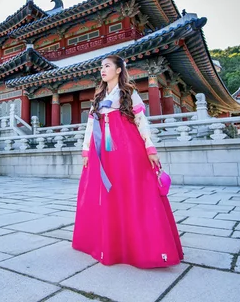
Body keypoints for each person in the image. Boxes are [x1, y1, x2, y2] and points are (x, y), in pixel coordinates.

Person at [72, 54, 183, 268]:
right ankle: (109, 243)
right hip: (101, 147)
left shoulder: (128, 93)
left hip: (126, 145)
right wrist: (86, 151)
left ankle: (138, 245)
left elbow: (141, 120)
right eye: (101, 67)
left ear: (118, 70)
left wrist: (150, 147)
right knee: (104, 193)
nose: (102, 70)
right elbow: (90, 126)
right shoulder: (98, 95)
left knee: (131, 190)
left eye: (107, 66)